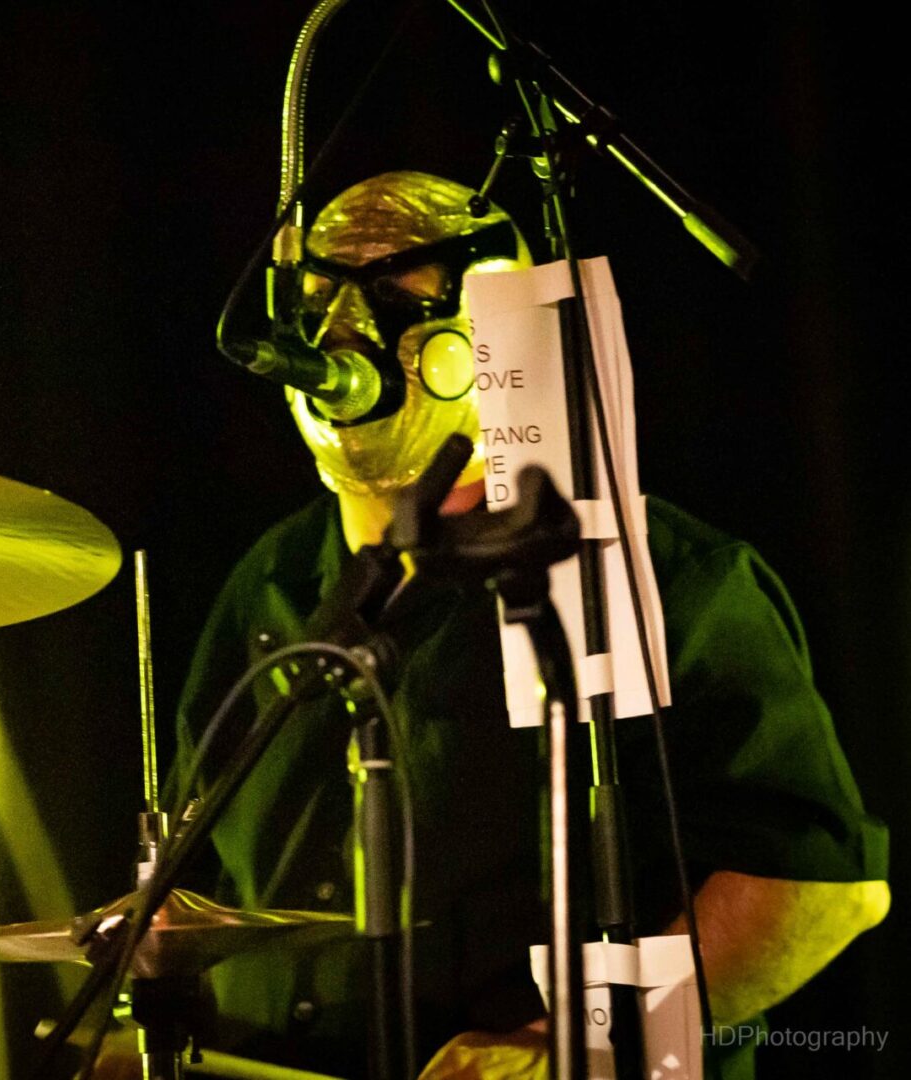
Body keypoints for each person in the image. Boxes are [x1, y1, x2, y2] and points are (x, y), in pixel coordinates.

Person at [171, 171, 890, 1079]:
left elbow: (818, 886)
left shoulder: (660, 573)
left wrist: (573, 1044)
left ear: (487, 338)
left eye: (396, 299)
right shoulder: (270, 577)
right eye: (315, 307)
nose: (338, 339)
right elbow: (201, 878)